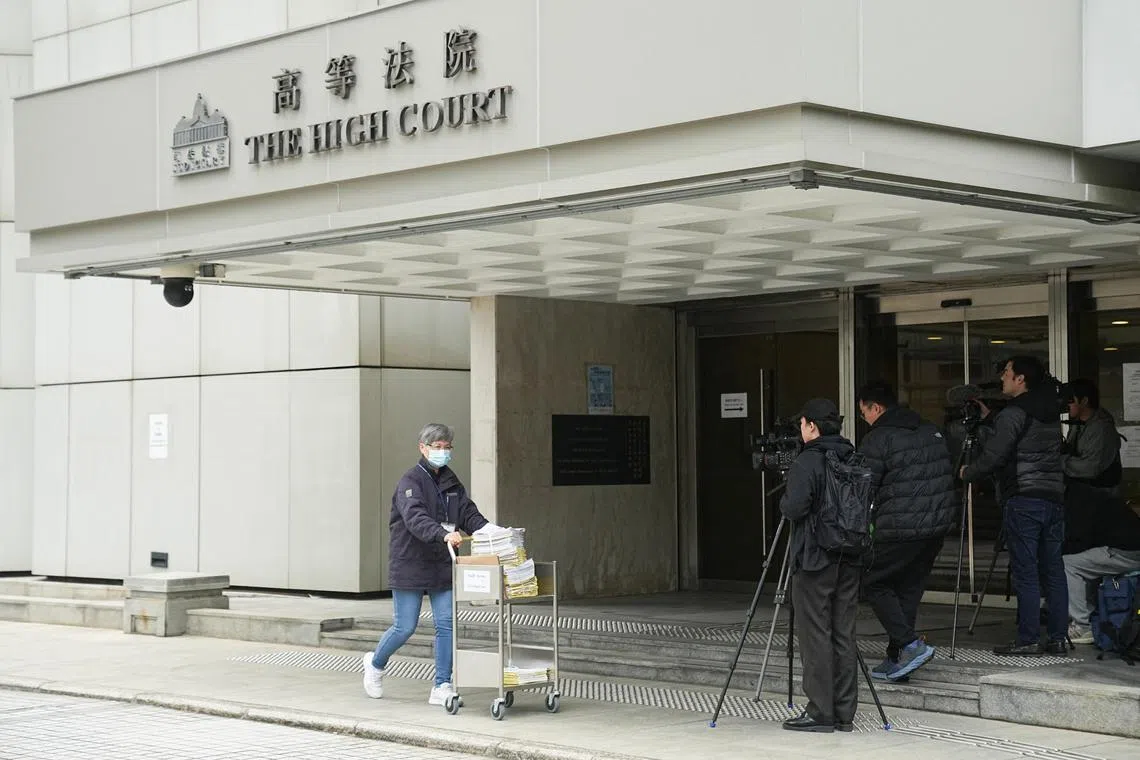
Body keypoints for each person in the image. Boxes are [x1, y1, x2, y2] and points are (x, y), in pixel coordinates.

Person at [362, 423, 489, 705]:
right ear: (423, 448)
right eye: (436, 447)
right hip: (410, 564)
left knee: (446, 624)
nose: (442, 452)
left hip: (441, 564)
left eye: (447, 448)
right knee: (404, 626)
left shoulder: (451, 482)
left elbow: (468, 513)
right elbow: (416, 519)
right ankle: (375, 664)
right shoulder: (410, 483)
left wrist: (490, 531)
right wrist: (444, 534)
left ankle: (442, 684)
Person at [960, 357, 1067, 656]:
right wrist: (992, 416)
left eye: (1006, 373)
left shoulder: (1014, 412)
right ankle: (1058, 637)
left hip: (1023, 498)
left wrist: (967, 473)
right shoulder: (1048, 411)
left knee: (1026, 571)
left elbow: (995, 456)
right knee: (1053, 571)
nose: (1002, 379)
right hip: (1053, 498)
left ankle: (1028, 638)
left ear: (1020, 379)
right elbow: (1028, 440)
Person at [856, 381, 957, 681]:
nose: (865, 420)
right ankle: (898, 658)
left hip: (900, 527)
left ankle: (909, 646)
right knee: (908, 589)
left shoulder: (879, 438)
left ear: (876, 408)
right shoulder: (930, 429)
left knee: (873, 581)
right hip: (936, 527)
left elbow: (864, 487)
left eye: (864, 413)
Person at [780, 398, 860, 734]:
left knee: (815, 634)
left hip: (815, 558)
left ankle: (820, 712)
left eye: (801, 424)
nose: (800, 430)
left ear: (811, 425)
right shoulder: (853, 457)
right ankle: (843, 713)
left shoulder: (808, 461)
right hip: (850, 555)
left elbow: (794, 508)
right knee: (843, 632)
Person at [1062, 481, 1140, 643]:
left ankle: (1083, 626)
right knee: (1086, 564)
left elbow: (1080, 538)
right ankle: (1091, 617)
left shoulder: (1076, 502)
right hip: (1128, 547)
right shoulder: (1093, 495)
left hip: (1124, 550)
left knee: (1068, 564)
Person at [1062, 379, 1123, 496]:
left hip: (1101, 498)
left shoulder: (1101, 428)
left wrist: (1060, 461)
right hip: (1086, 494)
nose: (1066, 404)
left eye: (1070, 400)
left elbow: (1090, 467)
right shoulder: (1079, 424)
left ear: (1084, 401)